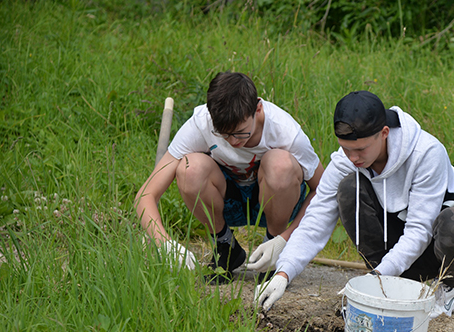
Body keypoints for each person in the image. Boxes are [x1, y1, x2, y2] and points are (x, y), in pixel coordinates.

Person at [255, 90, 454, 318]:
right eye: (346, 149)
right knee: (348, 189)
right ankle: (387, 282)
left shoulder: (426, 153)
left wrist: (378, 275)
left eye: (360, 149)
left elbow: (419, 230)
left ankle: (450, 288)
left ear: (384, 133)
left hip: (438, 245)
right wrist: (283, 273)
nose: (353, 158)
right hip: (396, 246)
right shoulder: (347, 160)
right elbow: (316, 217)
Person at [134, 71, 324, 284]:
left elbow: (322, 191)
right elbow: (145, 194)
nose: (233, 141)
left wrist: (284, 239)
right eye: (223, 134)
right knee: (189, 168)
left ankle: (272, 249)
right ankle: (225, 247)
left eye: (241, 133)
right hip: (228, 201)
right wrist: (165, 243)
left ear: (258, 109)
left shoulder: (285, 131)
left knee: (280, 164)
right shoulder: (201, 124)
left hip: (274, 202)